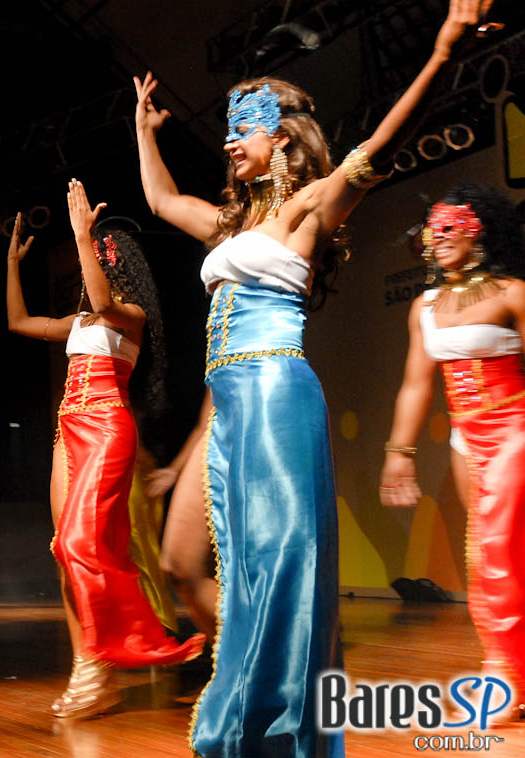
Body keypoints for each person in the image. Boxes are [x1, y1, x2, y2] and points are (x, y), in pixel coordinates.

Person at [133, 2, 491, 753]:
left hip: (273, 394)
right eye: (228, 127)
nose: (229, 139)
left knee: (281, 566)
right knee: (207, 564)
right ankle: (258, 695)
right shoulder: (227, 225)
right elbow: (162, 201)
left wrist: (443, 52)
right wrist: (142, 130)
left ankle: (284, 722)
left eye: (245, 127)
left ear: (283, 138)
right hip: (227, 406)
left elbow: (382, 143)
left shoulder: (307, 209)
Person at [7, 196, 205, 719]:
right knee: (63, 552)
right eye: (97, 251)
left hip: (107, 430)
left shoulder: (130, 316)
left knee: (80, 543)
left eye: (105, 252)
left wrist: (79, 238)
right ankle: (90, 673)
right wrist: (10, 265)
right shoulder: (79, 322)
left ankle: (116, 653)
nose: (100, 258)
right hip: (66, 432)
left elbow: (100, 296)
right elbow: (18, 321)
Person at [381, 183, 525, 712]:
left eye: (450, 227)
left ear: (478, 231)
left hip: (517, 432)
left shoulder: (513, 293)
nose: (436, 237)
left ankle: (501, 671)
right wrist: (401, 453)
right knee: (489, 552)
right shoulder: (424, 306)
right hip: (467, 438)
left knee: (500, 547)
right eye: (431, 228)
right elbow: (416, 384)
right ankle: (509, 662)